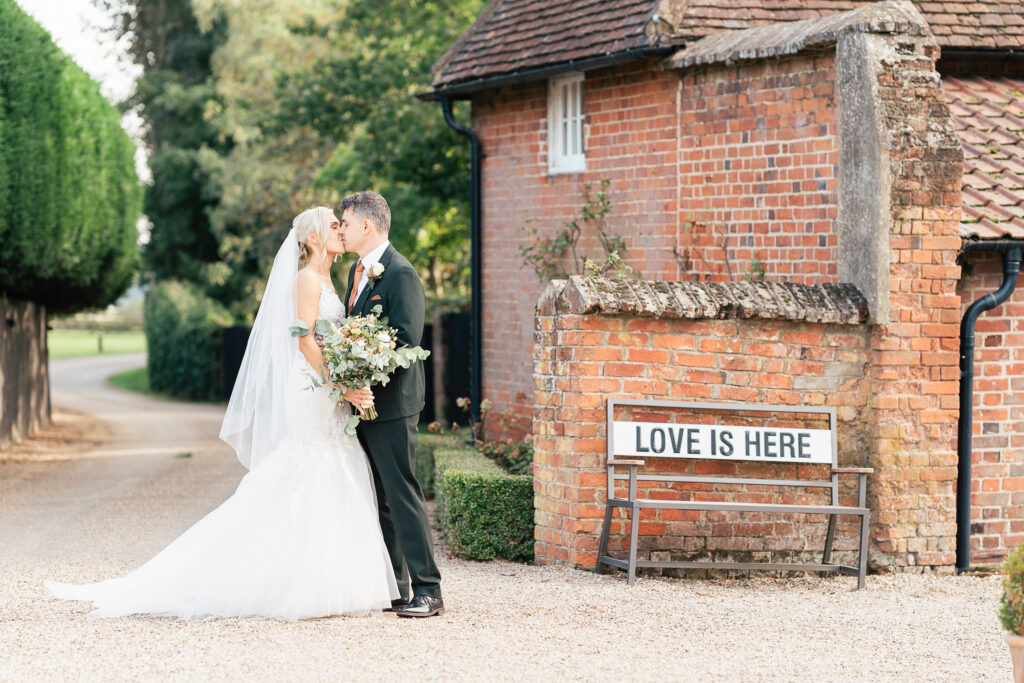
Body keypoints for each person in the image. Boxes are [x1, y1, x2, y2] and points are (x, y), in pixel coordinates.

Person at [46, 207, 399, 620]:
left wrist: (346, 369)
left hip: (327, 392)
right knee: (311, 467)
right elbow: (304, 342)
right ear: (316, 239)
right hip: (312, 390)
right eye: (334, 226)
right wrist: (342, 385)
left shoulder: (328, 280)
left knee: (335, 467)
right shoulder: (306, 278)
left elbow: (327, 336)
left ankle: (337, 581)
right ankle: (290, 582)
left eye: (343, 225)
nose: (342, 231)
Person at [339, 191, 443, 618]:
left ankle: (429, 590)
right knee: (380, 497)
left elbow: (406, 341)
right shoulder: (355, 271)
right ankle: (397, 587)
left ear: (367, 225)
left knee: (403, 493)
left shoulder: (400, 273)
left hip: (394, 404)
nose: (341, 230)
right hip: (362, 403)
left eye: (345, 222)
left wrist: (361, 372)